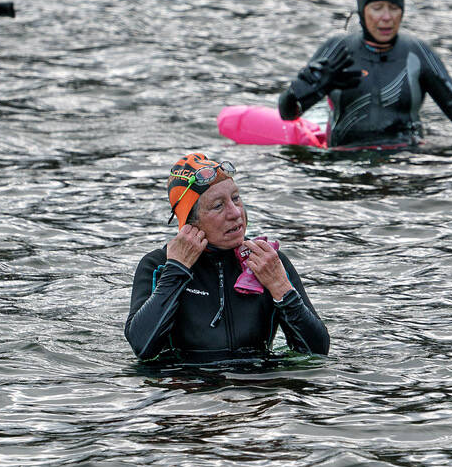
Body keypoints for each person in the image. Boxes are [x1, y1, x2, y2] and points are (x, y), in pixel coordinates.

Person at [125, 153, 329, 363]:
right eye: (218, 206)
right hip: (189, 388)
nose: (235, 213)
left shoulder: (267, 261)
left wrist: (281, 289)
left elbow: (317, 352)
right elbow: (143, 348)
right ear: (190, 222)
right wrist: (177, 269)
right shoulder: (159, 266)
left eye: (236, 198)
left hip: (257, 386)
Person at [277, 0, 452, 149]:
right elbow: (288, 114)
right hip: (346, 162)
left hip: (406, 158)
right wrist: (298, 89)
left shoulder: (417, 52)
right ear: (362, 10)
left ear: (402, 11)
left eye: (394, 7)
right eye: (377, 7)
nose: (386, 17)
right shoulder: (338, 49)